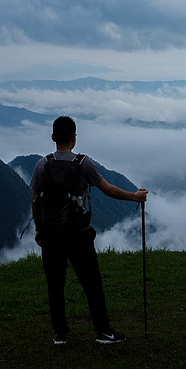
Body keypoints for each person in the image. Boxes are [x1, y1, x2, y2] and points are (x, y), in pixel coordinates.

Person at [31, 115, 148, 345]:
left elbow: (35, 200)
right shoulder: (83, 163)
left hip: (51, 234)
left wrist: (39, 229)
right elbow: (108, 190)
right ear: (74, 138)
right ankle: (103, 332)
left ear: (53, 137)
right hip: (78, 234)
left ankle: (60, 335)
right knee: (92, 284)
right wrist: (134, 196)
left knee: (55, 285)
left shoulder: (42, 164)